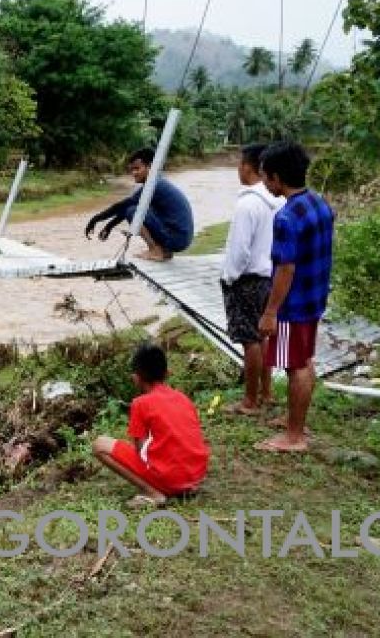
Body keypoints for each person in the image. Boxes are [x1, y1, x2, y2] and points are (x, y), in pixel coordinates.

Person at [256, 141, 335, 453]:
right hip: (315, 298)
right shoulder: (319, 203)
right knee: (304, 359)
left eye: (265, 177)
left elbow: (285, 269)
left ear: (277, 178)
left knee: (295, 366)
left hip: (294, 305)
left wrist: (270, 312)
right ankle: (295, 421)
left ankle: (294, 436)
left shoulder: (286, 217)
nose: (264, 183)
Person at [92, 344, 210, 507]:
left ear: (136, 377)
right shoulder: (183, 398)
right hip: (196, 476)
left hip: (171, 479)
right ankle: (183, 486)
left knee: (100, 444)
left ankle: (152, 493)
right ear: (167, 373)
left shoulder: (140, 403)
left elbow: (141, 451)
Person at [221, 144, 284, 415]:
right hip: (270, 277)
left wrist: (229, 278)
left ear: (247, 167)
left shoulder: (247, 203)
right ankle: (267, 393)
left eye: (239, 163)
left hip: (247, 279)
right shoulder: (279, 200)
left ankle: (250, 401)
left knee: (250, 339)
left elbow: (239, 250)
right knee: (264, 335)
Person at [85, 147, 194, 261]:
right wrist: (109, 227)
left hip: (177, 239)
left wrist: (95, 219)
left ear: (150, 167)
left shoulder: (154, 186)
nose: (134, 173)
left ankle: (155, 250)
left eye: (137, 169)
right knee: (134, 209)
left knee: (133, 211)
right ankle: (164, 251)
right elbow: (125, 208)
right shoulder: (157, 182)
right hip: (180, 238)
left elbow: (124, 207)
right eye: (131, 170)